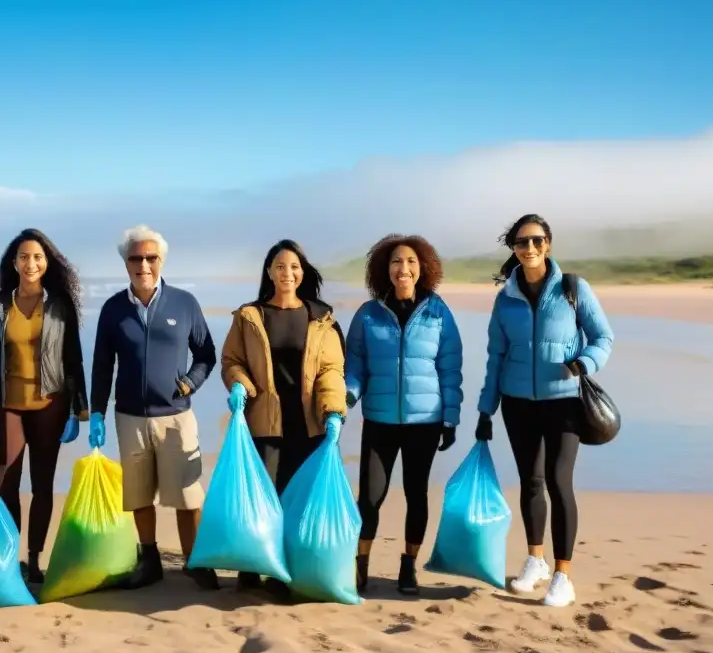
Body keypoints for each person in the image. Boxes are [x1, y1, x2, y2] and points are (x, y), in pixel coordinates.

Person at [475, 214, 614, 608]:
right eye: (522, 242)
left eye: (536, 241)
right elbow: (495, 355)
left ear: (548, 244)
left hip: (565, 401)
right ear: (514, 249)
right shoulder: (505, 300)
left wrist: (585, 362)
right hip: (517, 404)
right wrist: (487, 408)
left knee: (558, 480)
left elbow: (603, 336)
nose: (529, 248)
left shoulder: (573, 289)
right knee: (530, 482)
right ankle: (535, 560)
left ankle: (562, 575)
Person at [88, 225, 219, 590]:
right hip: (129, 417)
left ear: (161, 261)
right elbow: (102, 364)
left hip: (176, 417)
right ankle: (150, 560)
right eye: (136, 258)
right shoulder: (113, 309)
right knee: (139, 494)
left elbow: (206, 354)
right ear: (125, 262)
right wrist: (96, 411)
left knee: (188, 496)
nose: (143, 265)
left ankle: (197, 561)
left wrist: (190, 382)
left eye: (151, 258)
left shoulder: (184, 303)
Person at [221, 239, 346, 597]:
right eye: (279, 266)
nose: (286, 273)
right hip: (263, 422)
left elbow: (331, 370)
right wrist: (240, 385)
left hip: (307, 425)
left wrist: (334, 411)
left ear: (302, 272)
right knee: (262, 498)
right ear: (269, 272)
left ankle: (283, 572)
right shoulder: (250, 315)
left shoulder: (320, 318)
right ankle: (252, 565)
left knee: (297, 499)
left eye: (293, 267)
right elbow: (232, 360)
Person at [344, 234, 463, 596]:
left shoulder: (438, 312)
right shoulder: (368, 314)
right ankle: (360, 564)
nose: (403, 269)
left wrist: (450, 418)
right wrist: (347, 398)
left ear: (422, 268)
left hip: (424, 422)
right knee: (371, 497)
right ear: (386, 268)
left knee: (416, 494)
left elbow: (450, 367)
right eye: (396, 262)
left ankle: (408, 565)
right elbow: (355, 365)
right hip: (379, 420)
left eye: (411, 262)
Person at [0, 229, 89, 584]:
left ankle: (34, 559)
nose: (31, 263)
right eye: (24, 257)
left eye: (37, 257)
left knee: (42, 485)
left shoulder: (59, 306)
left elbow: (73, 360)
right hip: (7, 405)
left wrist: (78, 410)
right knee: (4, 482)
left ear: (47, 263)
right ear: (14, 263)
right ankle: (8, 556)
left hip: (50, 405)